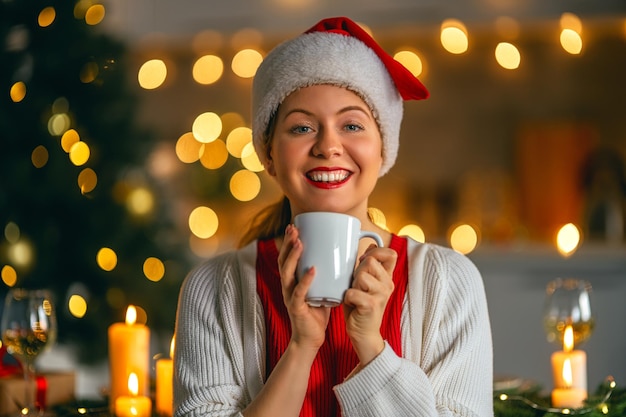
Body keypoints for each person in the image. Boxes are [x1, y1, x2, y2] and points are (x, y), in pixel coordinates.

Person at [173, 16, 493, 417]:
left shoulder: (449, 282)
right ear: (269, 156)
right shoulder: (214, 288)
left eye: (353, 125)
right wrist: (301, 347)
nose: (328, 146)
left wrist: (371, 347)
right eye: (302, 127)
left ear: (382, 151)